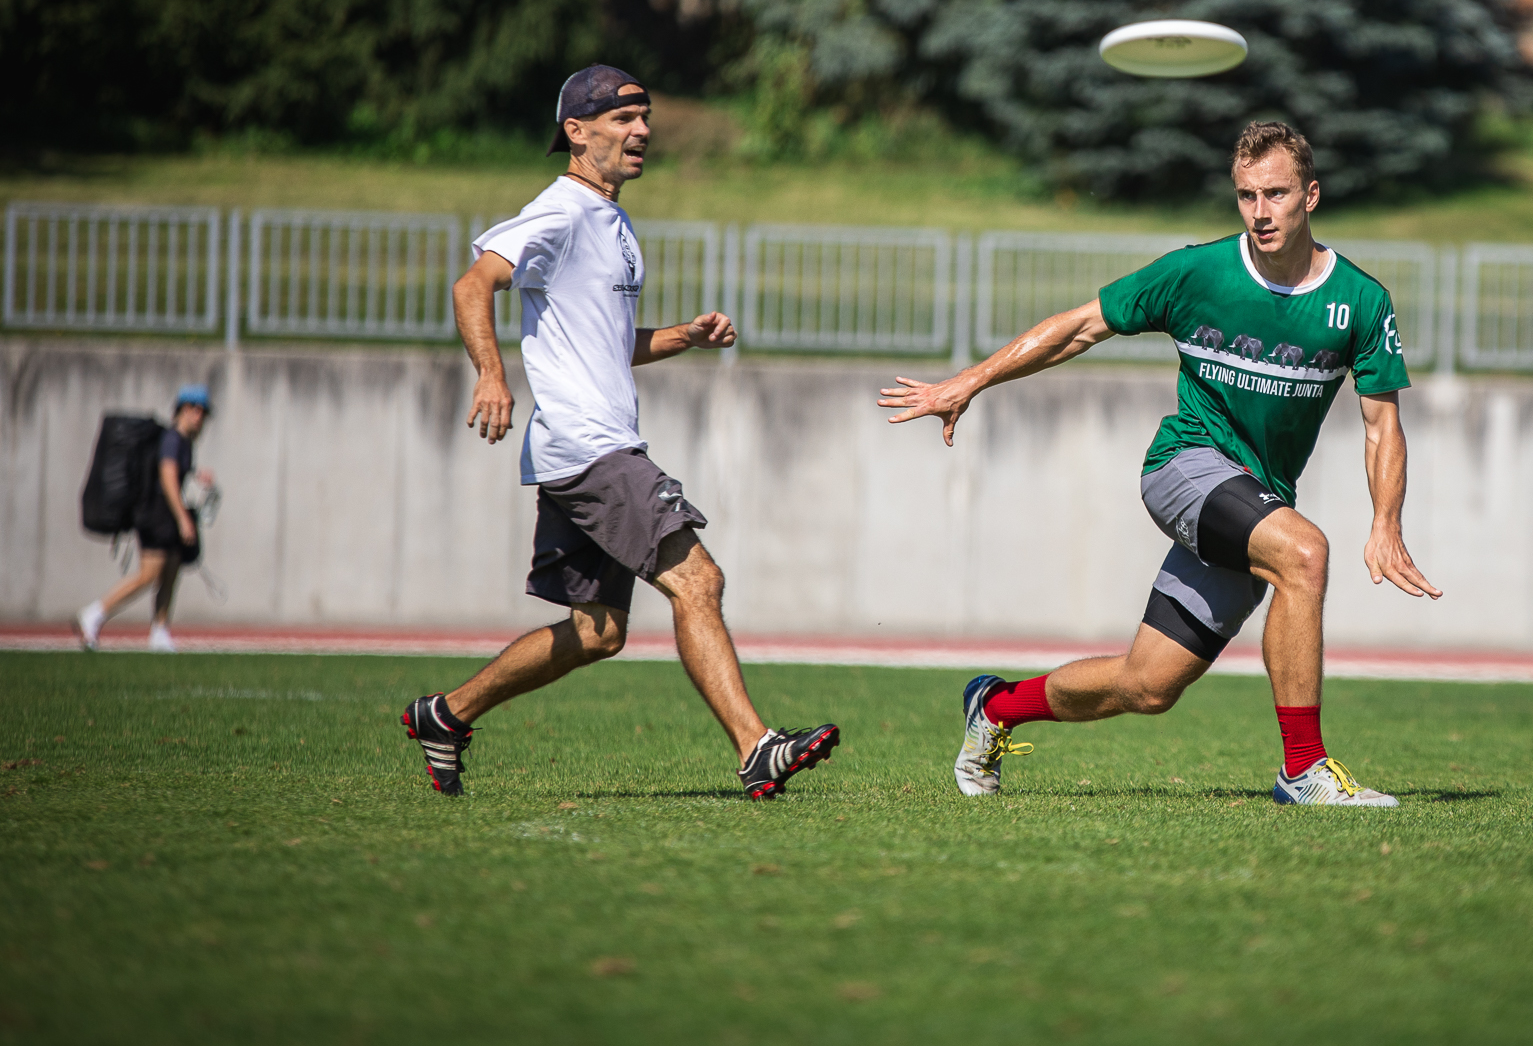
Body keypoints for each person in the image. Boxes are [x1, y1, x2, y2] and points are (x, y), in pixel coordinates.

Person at [880, 121, 1441, 807]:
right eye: (1245, 196)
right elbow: (1079, 326)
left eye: (1275, 193)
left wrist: (1387, 522)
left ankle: (995, 709)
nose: (1260, 212)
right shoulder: (1196, 272)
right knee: (1305, 553)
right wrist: (969, 380)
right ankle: (1303, 770)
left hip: (1254, 498)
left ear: (1311, 196)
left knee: (1147, 686)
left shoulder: (1359, 300)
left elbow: (1382, 424)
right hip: (1184, 468)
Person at [404, 64, 839, 799]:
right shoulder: (562, 211)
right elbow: (472, 283)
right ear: (576, 132)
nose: (641, 132)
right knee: (698, 579)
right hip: (591, 447)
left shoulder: (614, 223)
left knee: (601, 632)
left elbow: (605, 340)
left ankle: (445, 714)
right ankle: (756, 747)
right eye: (620, 120)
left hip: (581, 449)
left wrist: (683, 337)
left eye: (644, 119)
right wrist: (490, 373)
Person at [74, 384, 214, 653]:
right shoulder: (173, 439)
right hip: (155, 514)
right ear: (187, 409)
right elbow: (168, 477)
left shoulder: (182, 441)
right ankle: (94, 613)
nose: (202, 418)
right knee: (149, 574)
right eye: (200, 411)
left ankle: (160, 631)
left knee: (171, 571)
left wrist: (197, 474)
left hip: (165, 515)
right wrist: (183, 518)